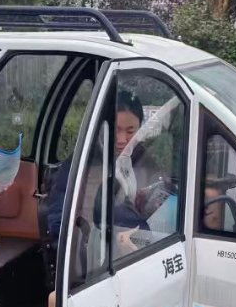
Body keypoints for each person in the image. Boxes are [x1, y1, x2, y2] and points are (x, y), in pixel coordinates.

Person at [44, 90, 172, 257]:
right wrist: (96, 242)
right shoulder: (82, 164)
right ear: (102, 126)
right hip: (96, 258)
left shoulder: (142, 158)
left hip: (140, 247)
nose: (122, 139)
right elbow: (58, 222)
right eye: (115, 130)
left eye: (130, 131)